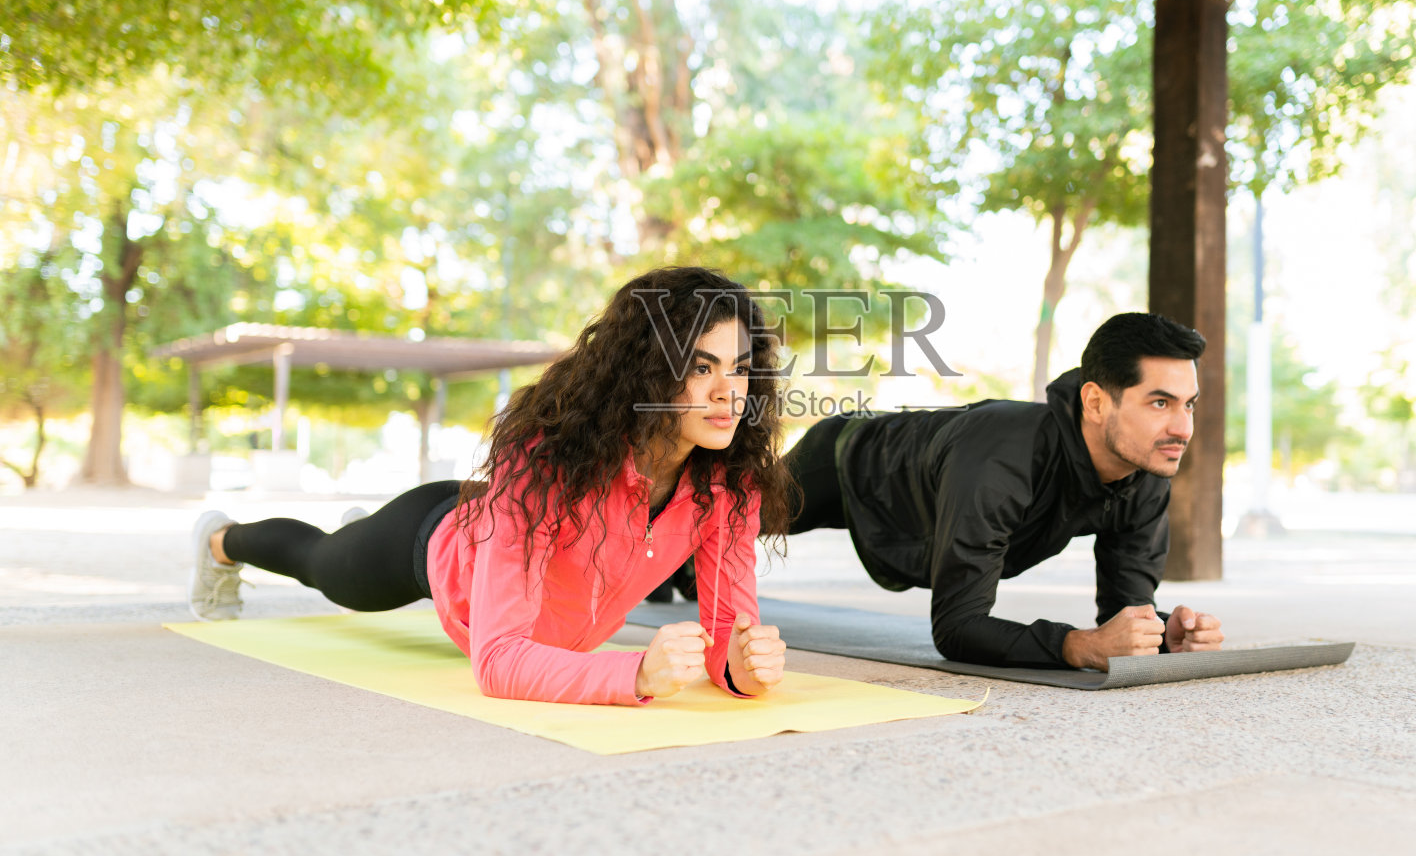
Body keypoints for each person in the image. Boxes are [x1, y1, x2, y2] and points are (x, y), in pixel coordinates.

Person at [187, 267, 791, 706]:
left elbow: (725, 632)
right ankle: (221, 540)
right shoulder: (546, 463)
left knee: (343, 552)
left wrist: (742, 667)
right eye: (700, 367)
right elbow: (499, 660)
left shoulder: (730, 486)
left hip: (495, 524)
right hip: (432, 542)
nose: (727, 393)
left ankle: (352, 527)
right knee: (322, 564)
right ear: (648, 371)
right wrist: (633, 674)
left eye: (739, 368)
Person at [783, 312, 1225, 672]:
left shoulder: (1144, 474)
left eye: (1189, 404)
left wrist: (1163, 635)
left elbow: (1124, 614)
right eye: (1160, 403)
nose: (1183, 428)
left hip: (925, 489)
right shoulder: (1003, 459)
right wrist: (1076, 646)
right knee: (728, 518)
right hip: (849, 458)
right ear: (1094, 403)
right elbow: (957, 628)